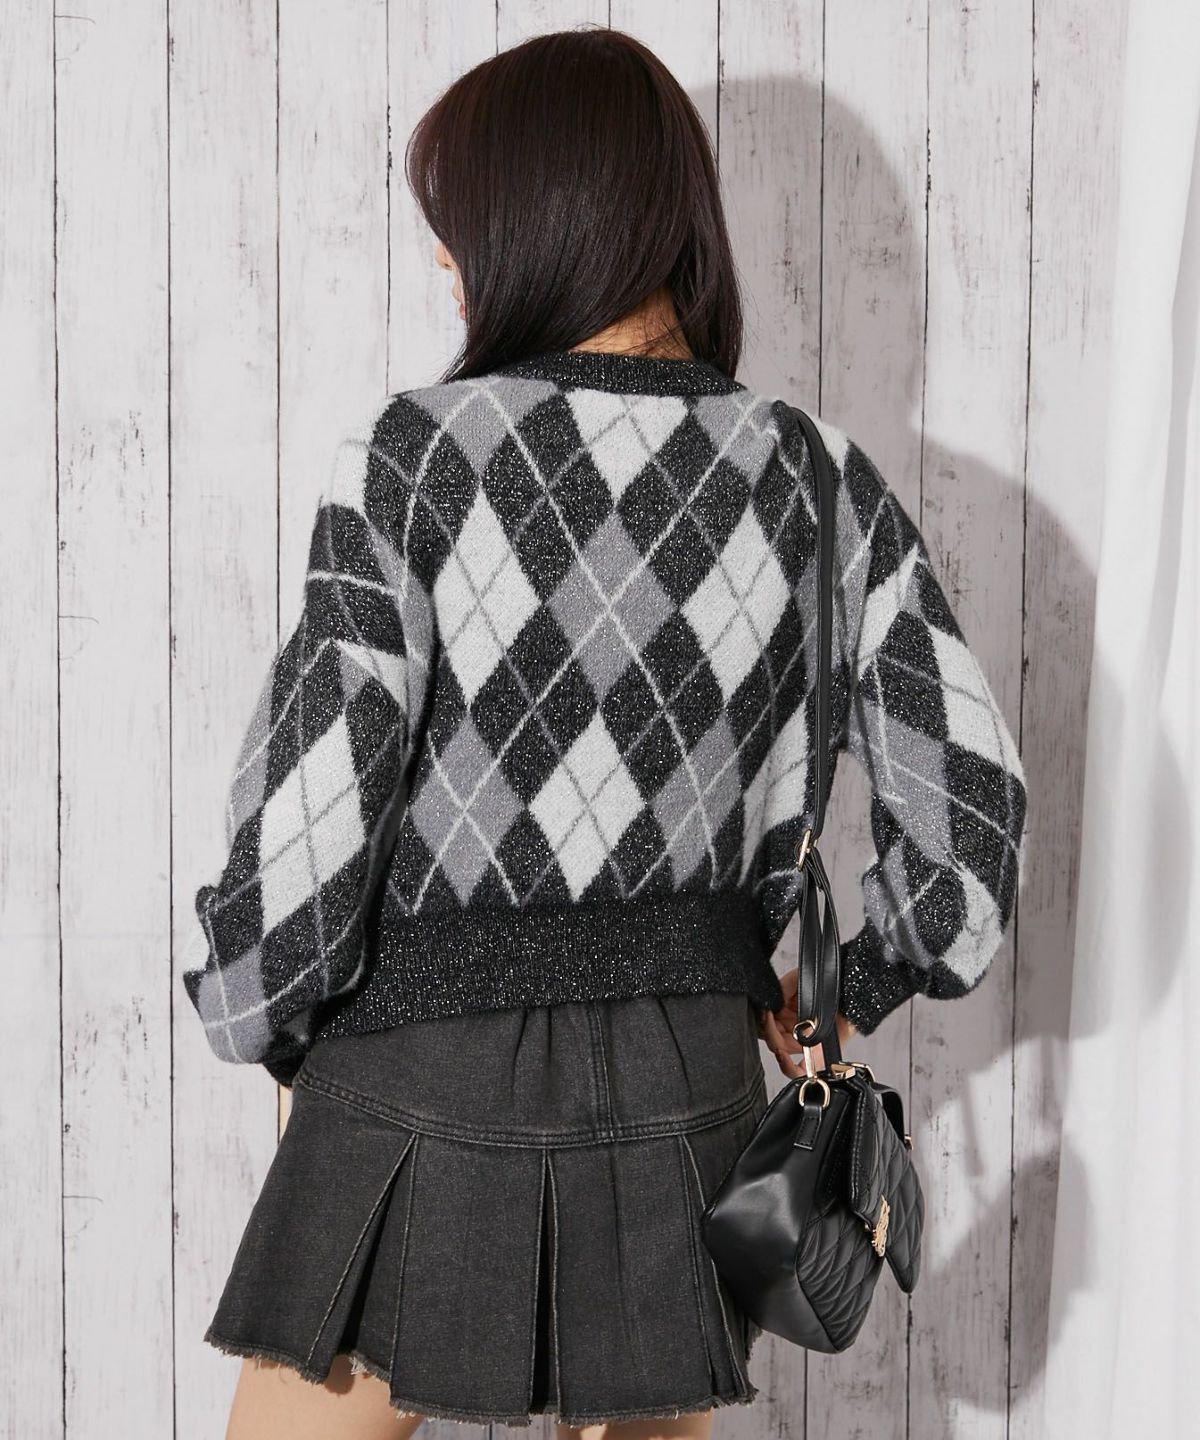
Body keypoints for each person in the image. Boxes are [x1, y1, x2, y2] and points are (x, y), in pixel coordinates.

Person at [181, 25, 1028, 1440]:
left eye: (456, 222)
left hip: (415, 1076)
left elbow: (316, 805)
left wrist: (257, 1010)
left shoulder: (420, 457)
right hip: (688, 1086)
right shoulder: (820, 479)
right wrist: (840, 994)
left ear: (536, 213)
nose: (444, 257)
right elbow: (974, 825)